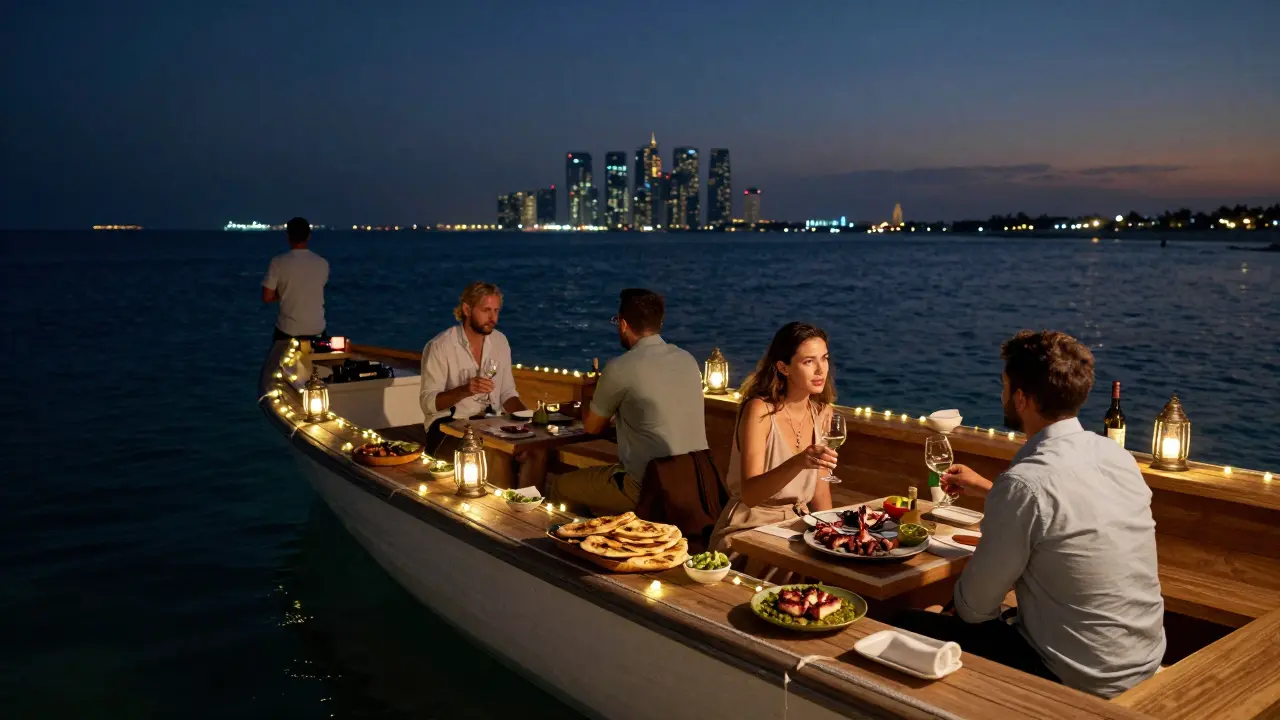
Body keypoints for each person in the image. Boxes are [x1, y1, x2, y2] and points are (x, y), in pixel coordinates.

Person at [895, 330, 1165, 698]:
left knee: (897, 624)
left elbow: (975, 609)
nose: (1002, 394)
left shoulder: (1025, 484)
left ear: (1021, 399)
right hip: (1141, 660)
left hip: (1077, 676)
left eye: (1005, 385)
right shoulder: (1117, 457)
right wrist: (994, 491)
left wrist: (944, 609)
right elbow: (1066, 511)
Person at [546, 289, 708, 516]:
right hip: (694, 482)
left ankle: (577, 544)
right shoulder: (688, 360)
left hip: (649, 487)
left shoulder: (620, 367)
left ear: (622, 324)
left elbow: (592, 427)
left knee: (560, 486)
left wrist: (588, 393)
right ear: (659, 322)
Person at [708, 322, 839, 551]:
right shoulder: (760, 410)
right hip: (749, 528)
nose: (821, 370)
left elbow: (820, 493)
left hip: (799, 527)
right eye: (809, 361)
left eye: (824, 358)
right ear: (784, 367)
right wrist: (799, 461)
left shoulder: (820, 414)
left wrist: (835, 535)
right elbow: (750, 495)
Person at [419, 282, 531, 457]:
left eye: (496, 311)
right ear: (466, 309)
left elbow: (507, 394)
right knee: (493, 455)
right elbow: (428, 404)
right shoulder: (440, 346)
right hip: (449, 425)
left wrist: (528, 419)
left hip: (491, 423)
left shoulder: (500, 342)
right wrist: (465, 390)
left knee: (533, 452)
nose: (493, 318)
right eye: (486, 310)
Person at [262, 217, 329, 343]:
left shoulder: (278, 262)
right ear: (309, 236)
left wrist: (284, 292)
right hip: (317, 329)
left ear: (288, 236)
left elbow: (267, 297)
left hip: (289, 331)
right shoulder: (322, 263)